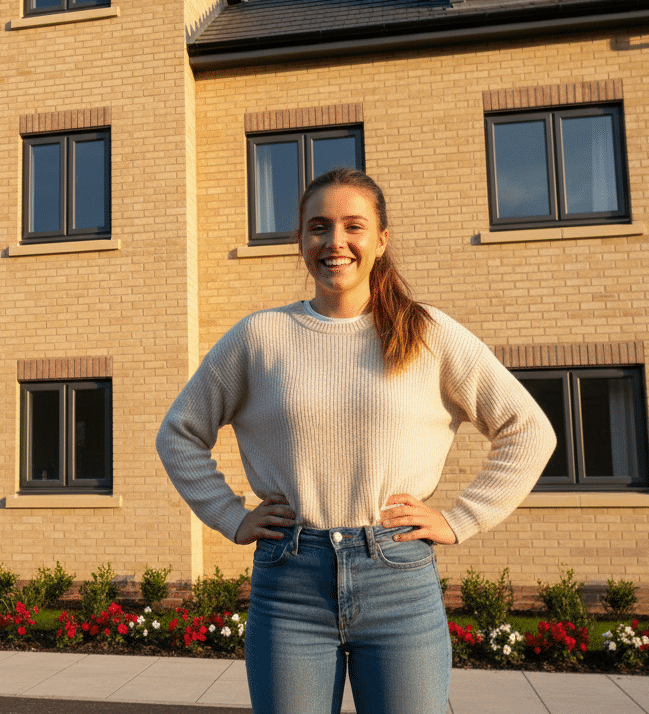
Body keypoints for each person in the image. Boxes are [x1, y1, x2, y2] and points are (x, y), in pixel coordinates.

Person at [156, 167, 555, 714]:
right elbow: (179, 432)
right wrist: (231, 515)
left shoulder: (427, 334)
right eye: (318, 227)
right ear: (300, 240)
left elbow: (528, 429)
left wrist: (461, 519)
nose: (334, 242)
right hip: (289, 581)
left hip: (398, 581)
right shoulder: (260, 338)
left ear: (381, 240)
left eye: (353, 226)